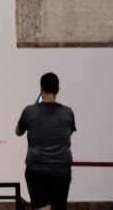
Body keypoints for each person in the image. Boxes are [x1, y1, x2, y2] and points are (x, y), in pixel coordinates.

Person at [15, 72, 76, 210]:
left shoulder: (30, 111)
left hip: (37, 169)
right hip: (62, 170)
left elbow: (18, 131)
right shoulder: (68, 112)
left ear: (40, 88)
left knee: (42, 207)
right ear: (58, 90)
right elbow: (69, 133)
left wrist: (36, 103)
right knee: (59, 206)